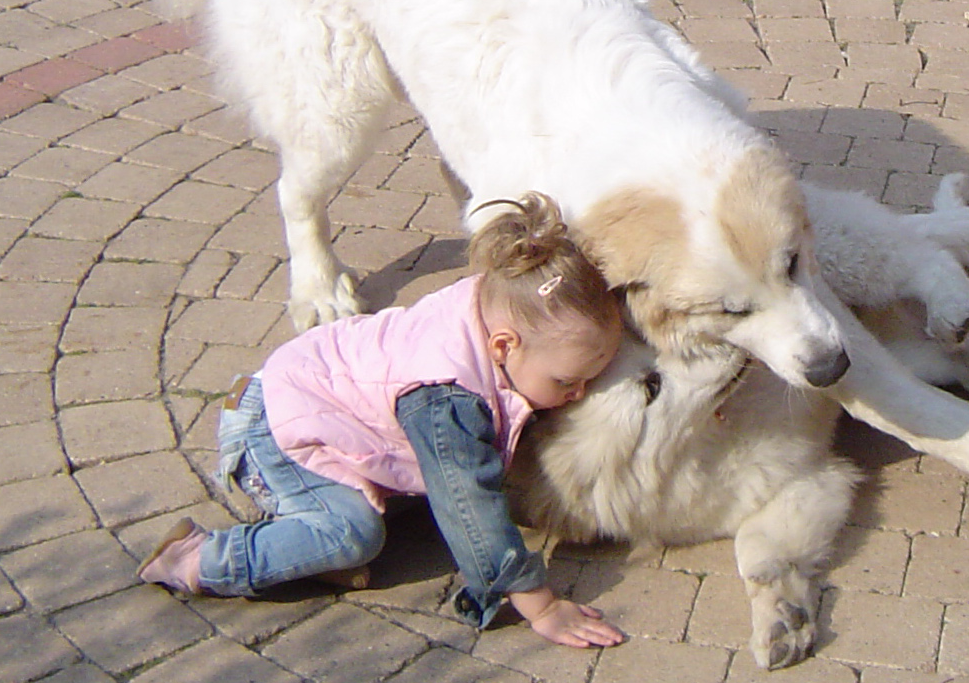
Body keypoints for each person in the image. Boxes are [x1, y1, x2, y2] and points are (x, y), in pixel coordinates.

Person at [137, 191, 626, 648]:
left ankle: (308, 549)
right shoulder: (447, 399)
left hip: (318, 402)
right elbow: (467, 503)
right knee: (352, 535)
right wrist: (540, 607)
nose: (578, 393)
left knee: (409, 506)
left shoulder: (505, 303)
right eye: (566, 382)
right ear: (504, 346)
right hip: (275, 431)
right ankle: (200, 559)